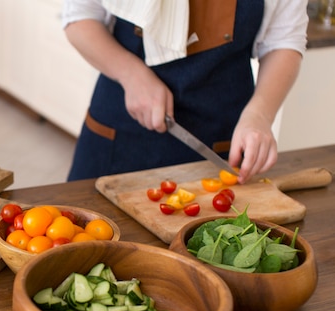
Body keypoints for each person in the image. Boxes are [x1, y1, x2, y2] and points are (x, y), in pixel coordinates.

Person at [62, 0, 309, 184]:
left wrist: (260, 115)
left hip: (221, 139)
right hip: (119, 133)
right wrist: (130, 74)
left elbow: (283, 41)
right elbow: (79, 17)